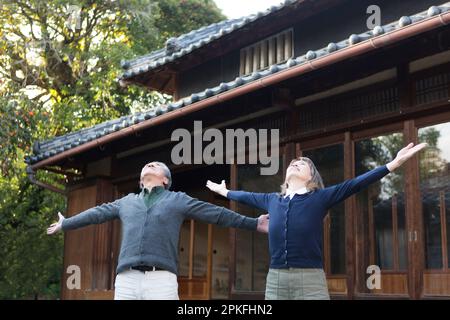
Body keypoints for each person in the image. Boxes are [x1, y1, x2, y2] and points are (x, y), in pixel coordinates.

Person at [206, 142, 427, 300]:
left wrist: (393, 164)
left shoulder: (319, 198)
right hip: (275, 280)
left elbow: (355, 184)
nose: (295, 163)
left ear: (311, 176)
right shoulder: (272, 200)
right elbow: (245, 196)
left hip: (309, 279)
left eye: (302, 164)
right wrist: (224, 192)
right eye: (292, 163)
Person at [47, 161, 269, 300]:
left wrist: (253, 223)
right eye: (146, 166)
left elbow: (216, 214)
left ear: (165, 180)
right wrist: (66, 223)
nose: (149, 165)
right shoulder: (127, 202)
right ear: (141, 180)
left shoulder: (177, 200)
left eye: (155, 165)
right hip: (126, 279)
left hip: (161, 279)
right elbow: (96, 214)